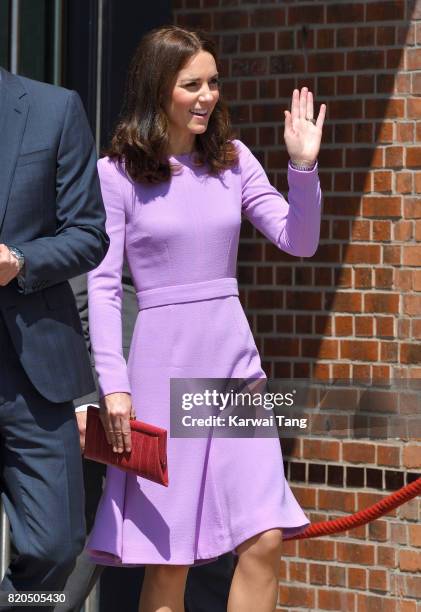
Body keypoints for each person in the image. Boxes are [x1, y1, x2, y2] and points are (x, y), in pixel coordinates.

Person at [86, 25, 325, 612]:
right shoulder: (114, 175)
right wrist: (114, 387)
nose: (207, 95)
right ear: (157, 89)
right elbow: (103, 288)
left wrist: (303, 169)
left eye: (213, 82)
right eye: (191, 84)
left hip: (233, 368)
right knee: (171, 562)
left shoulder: (234, 160)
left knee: (265, 536)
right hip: (161, 375)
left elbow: (299, 240)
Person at [59, 272, 234, 612]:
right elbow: (81, 283)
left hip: (206, 375)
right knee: (75, 560)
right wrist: (82, 400)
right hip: (126, 389)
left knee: (208, 548)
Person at [0, 67, 108, 606]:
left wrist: (20, 260)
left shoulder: (54, 109)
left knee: (57, 545)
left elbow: (89, 234)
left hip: (32, 374)